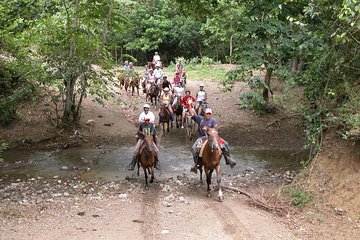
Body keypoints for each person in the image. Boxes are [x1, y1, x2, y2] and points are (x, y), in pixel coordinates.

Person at [188, 107, 236, 173]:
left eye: (209, 114)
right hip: (202, 137)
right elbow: (192, 115)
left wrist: (207, 128)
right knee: (194, 148)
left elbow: (215, 128)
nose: (208, 115)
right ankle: (196, 163)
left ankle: (228, 159)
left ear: (211, 114)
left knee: (225, 144)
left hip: (213, 136)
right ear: (204, 114)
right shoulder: (200, 119)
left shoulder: (213, 120)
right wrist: (190, 106)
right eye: (207, 113)